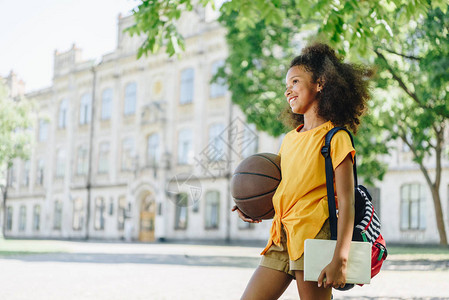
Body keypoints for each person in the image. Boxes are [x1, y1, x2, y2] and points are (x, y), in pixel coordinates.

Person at [232, 42, 371, 300]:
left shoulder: (336, 137)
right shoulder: (289, 140)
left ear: (320, 84)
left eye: (295, 82)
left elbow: (348, 203)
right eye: (287, 85)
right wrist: (254, 208)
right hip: (281, 238)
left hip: (314, 236)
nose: (288, 90)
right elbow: (288, 192)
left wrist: (340, 259)